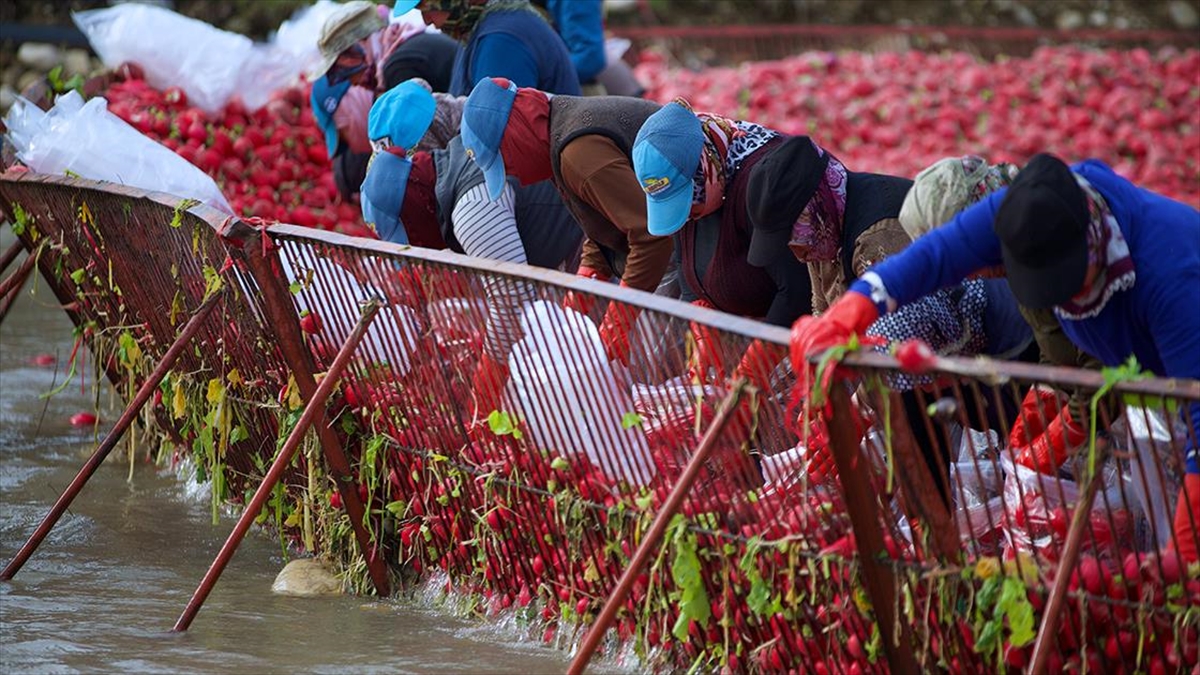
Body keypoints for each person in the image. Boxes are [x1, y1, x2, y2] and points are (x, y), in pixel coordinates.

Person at [791, 152, 1200, 562]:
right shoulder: (1020, 209)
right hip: (1145, 389)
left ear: (1093, 250)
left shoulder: (1170, 278)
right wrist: (851, 313)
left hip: (1176, 379)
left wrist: (1186, 540)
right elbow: (931, 258)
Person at [360, 79, 582, 418]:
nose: (420, 244)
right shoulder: (457, 157)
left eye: (410, 234)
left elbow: (514, 304)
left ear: (416, 209)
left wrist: (488, 380)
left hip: (606, 248)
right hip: (588, 244)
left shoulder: (469, 210)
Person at [900, 155, 1107, 474]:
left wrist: (1062, 433)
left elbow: (1104, 360)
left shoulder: (1055, 240)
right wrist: (1046, 394)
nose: (963, 277)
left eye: (961, 257)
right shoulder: (1016, 265)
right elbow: (1054, 339)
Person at [460, 77, 672, 366]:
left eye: (505, 162)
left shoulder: (577, 154)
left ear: (516, 135)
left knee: (663, 364)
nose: (514, 175)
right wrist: (588, 276)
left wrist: (621, 318)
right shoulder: (558, 136)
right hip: (675, 236)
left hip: (688, 233)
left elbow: (651, 234)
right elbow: (608, 218)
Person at [630, 100, 811, 401]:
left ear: (707, 167)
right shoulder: (696, 192)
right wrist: (702, 330)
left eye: (689, 203)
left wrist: (756, 365)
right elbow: (688, 269)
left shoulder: (760, 180)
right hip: (746, 345)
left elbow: (797, 290)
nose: (687, 216)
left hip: (793, 349)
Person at [745, 135, 914, 316]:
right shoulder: (823, 230)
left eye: (794, 237)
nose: (798, 256)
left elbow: (896, 328)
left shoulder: (876, 235)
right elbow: (822, 313)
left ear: (816, 203)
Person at [309, 1, 460, 200]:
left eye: (346, 70)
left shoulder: (399, 68)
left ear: (362, 45)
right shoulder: (407, 48)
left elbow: (423, 157)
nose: (354, 83)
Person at [394, 0, 581, 97]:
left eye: (427, 8)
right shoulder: (481, 28)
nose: (427, 21)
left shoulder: (501, 40)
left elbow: (498, 133)